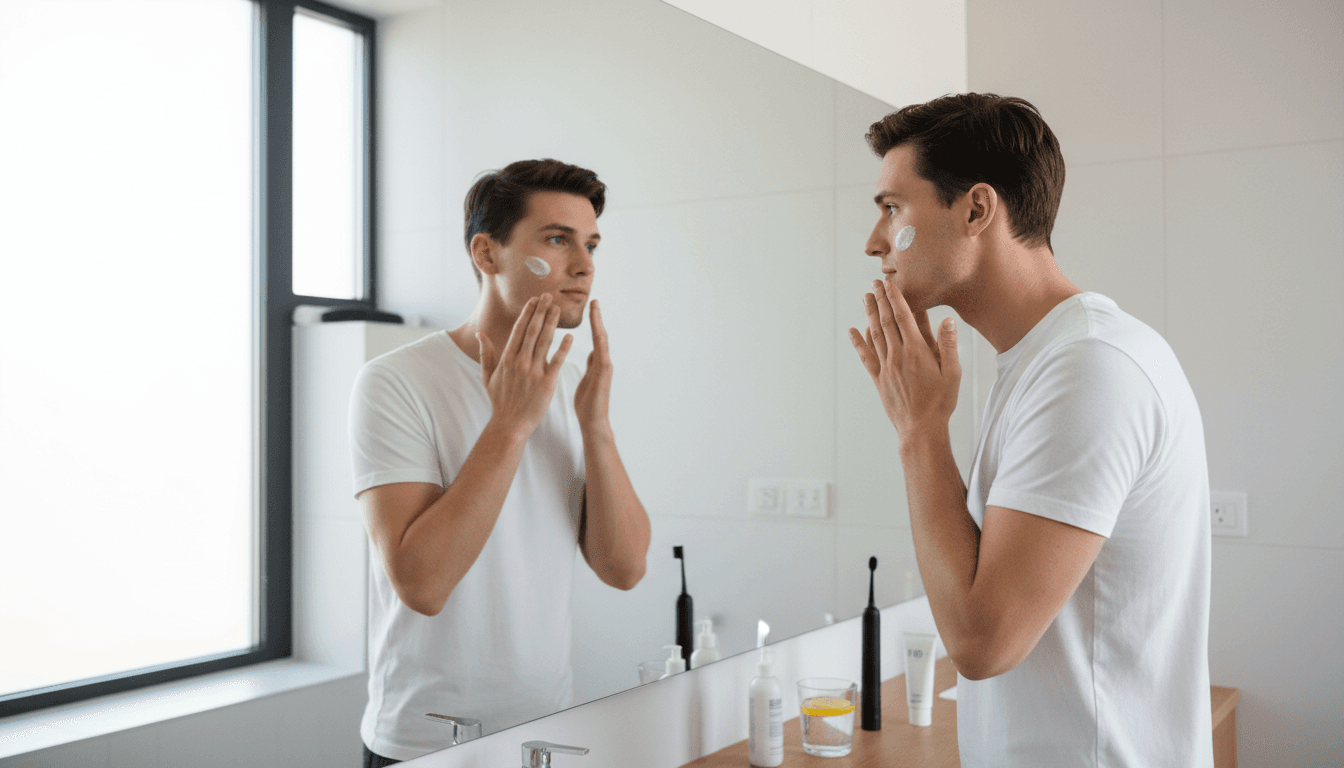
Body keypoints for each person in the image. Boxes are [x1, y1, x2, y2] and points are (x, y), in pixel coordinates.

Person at [849, 94, 1213, 766]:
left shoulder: (1089, 369)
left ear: (977, 209)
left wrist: (920, 433)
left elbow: (984, 644)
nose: (874, 242)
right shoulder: (1047, 361)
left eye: (892, 208)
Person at [348, 159, 651, 766]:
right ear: (487, 254)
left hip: (548, 733)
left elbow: (623, 569)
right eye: (557, 239)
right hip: (428, 741)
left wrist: (596, 427)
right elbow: (422, 584)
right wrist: (510, 425)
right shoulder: (395, 382)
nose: (585, 265)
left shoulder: (569, 386)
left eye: (590, 244)